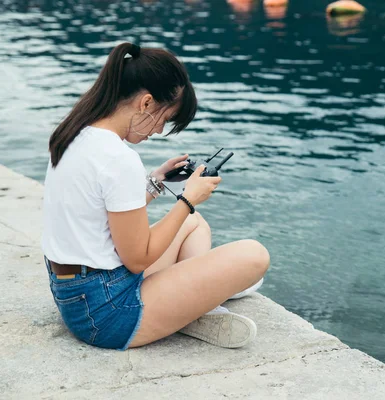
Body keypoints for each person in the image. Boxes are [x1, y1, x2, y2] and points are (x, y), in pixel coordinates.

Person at [41, 42, 270, 351]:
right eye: (165, 118)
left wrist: (154, 183)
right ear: (146, 103)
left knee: (195, 225)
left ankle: (193, 303)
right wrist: (187, 199)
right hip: (107, 313)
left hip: (77, 290)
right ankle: (197, 306)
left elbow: (100, 213)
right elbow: (137, 260)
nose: (160, 130)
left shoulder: (76, 133)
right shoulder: (118, 157)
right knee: (254, 255)